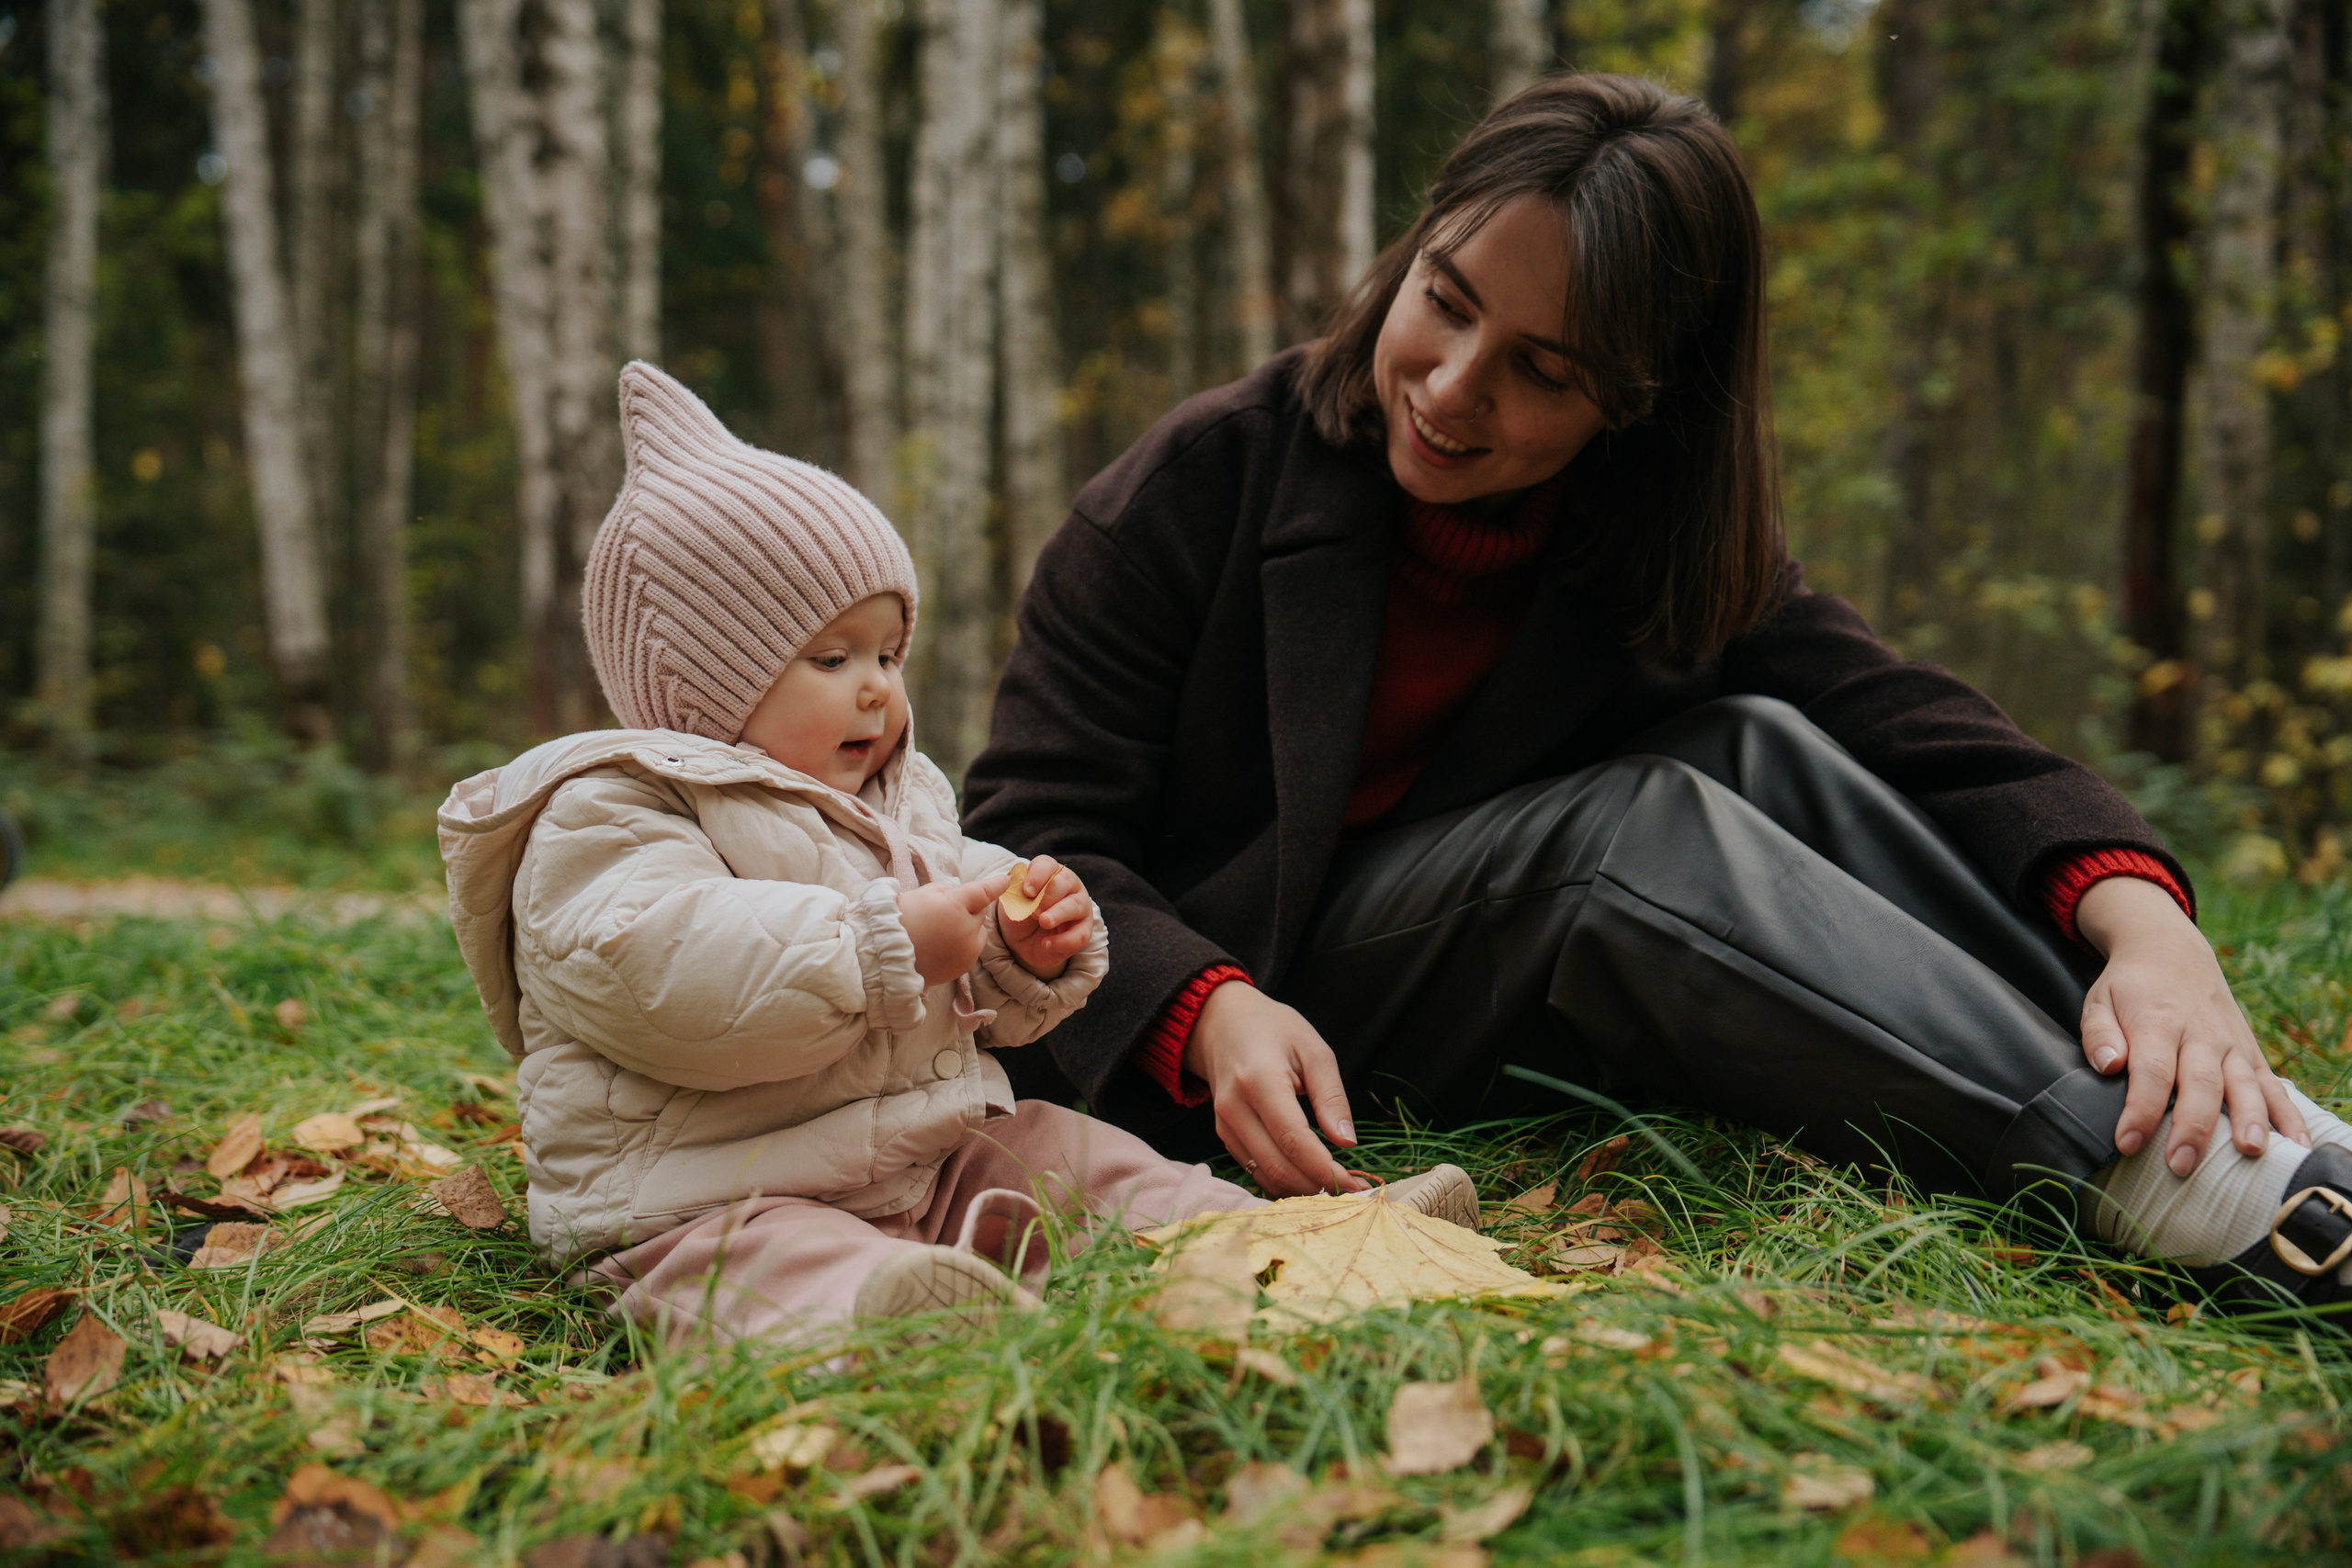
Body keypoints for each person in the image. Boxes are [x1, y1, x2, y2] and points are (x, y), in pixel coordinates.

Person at [963, 74, 2352, 1318]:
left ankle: (2242, 1119)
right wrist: (1201, 1004)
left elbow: (1910, 725)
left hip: (1473, 978)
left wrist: (2148, 927)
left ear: (1637, 399)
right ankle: (2171, 1183)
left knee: (1756, 736)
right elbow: (1026, 824)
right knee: (1629, 833)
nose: (1452, 389)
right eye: (1445, 302)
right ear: (1411, 251)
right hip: (1261, 1029)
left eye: (1540, 373)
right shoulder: (1196, 484)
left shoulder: (1646, 532)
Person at [436, 364, 1476, 1342]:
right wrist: (887, 946)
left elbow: (959, 992)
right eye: (832, 658)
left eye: (890, 654)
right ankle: (887, 1321)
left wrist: (1020, 952)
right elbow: (658, 970)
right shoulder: (609, 811)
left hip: (911, 1168)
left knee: (1070, 1157)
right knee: (768, 1267)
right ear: (700, 684)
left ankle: (1273, 1247)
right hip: (703, 1197)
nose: (879, 688)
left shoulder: (900, 802)